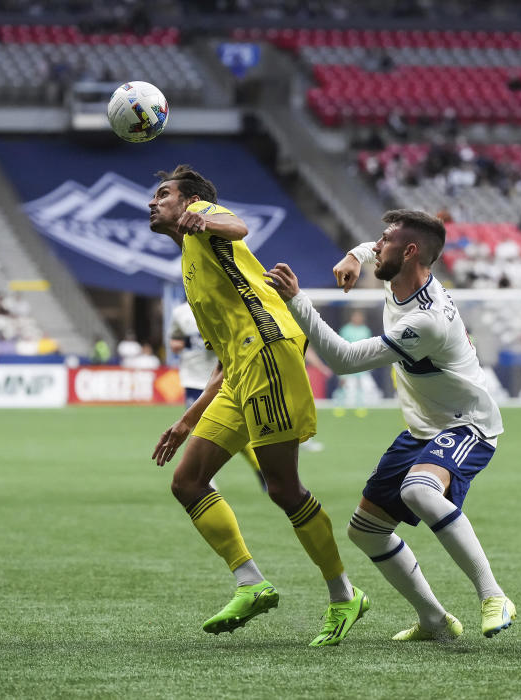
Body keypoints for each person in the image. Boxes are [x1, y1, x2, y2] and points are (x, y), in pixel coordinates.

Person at [264, 209, 516, 641]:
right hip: (422, 427)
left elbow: (343, 361)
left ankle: (493, 595)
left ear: (410, 251)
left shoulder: (427, 320)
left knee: (418, 490)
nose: (376, 245)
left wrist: (297, 301)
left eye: (385, 241)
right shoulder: (396, 270)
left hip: (466, 424)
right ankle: (435, 621)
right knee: (366, 531)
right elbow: (372, 249)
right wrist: (353, 255)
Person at [148, 165, 367, 646]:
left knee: (284, 488)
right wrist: (188, 420)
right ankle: (251, 582)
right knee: (187, 482)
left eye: (164, 194)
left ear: (187, 203)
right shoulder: (189, 263)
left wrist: (203, 220)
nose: (153, 202)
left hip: (269, 350)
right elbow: (223, 360)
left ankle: (344, 594)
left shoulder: (203, 218)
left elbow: (238, 226)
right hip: (241, 367)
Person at [170, 300, 267, 491]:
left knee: (230, 429)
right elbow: (175, 342)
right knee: (199, 429)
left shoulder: (223, 307)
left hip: (221, 379)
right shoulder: (180, 313)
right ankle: (205, 480)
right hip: (193, 380)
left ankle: (261, 469)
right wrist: (186, 343)